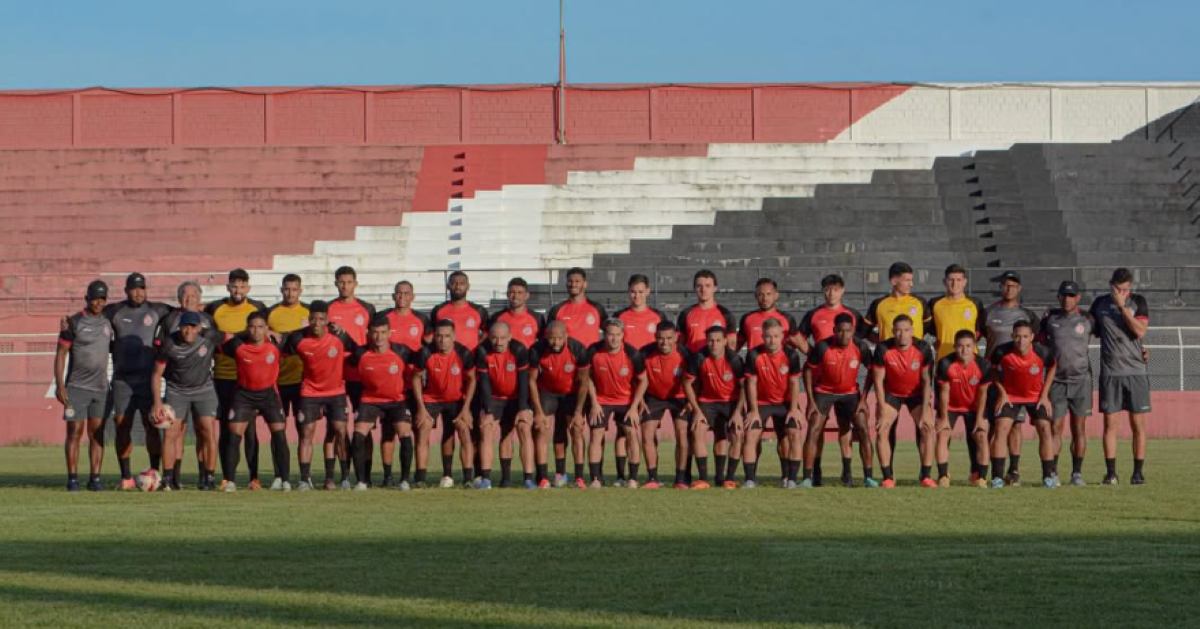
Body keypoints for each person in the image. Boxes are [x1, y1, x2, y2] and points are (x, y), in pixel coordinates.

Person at [101, 272, 171, 489]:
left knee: (152, 426)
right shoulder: (114, 311)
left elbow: (182, 316)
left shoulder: (158, 310)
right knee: (122, 426)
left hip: (147, 380)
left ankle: (155, 472)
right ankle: (126, 477)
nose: (138, 293)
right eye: (134, 289)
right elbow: (91, 318)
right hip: (123, 380)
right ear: (126, 291)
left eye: (142, 288)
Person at [280, 301, 357, 491]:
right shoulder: (298, 338)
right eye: (313, 319)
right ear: (309, 319)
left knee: (340, 431)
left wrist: (346, 333)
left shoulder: (339, 337)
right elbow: (280, 351)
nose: (317, 323)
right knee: (306, 433)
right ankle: (304, 479)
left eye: (321, 319)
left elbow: (357, 352)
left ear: (327, 320)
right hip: (310, 392)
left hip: (336, 392)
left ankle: (343, 477)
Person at [796, 273, 864, 486]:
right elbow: (797, 337)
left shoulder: (853, 314)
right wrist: (813, 353)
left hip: (845, 381)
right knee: (817, 427)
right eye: (827, 289)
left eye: (835, 289)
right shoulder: (813, 314)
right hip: (821, 382)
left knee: (845, 426)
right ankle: (815, 472)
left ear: (842, 290)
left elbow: (862, 340)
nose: (831, 293)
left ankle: (847, 472)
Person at [205, 268, 268, 489]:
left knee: (249, 429)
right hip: (223, 377)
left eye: (242, 286)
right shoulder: (215, 308)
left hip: (248, 378)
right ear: (228, 287)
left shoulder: (257, 308)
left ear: (248, 288)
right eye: (234, 286)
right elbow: (209, 335)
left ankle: (254, 477)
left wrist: (233, 337)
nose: (238, 290)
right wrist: (224, 337)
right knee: (226, 429)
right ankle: (226, 476)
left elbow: (262, 337)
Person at [151, 311, 225, 491]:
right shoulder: (169, 344)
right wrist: (157, 403)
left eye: (193, 327)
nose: (189, 331)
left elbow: (232, 336)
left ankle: (209, 478)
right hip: (177, 391)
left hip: (204, 390)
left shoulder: (209, 337)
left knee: (208, 432)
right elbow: (156, 374)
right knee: (170, 434)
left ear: (199, 328)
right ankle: (167, 479)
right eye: (185, 327)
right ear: (179, 327)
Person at [1091, 268, 1151, 485]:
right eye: (1117, 289)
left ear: (1130, 287)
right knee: (1110, 425)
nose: (1121, 293)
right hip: (1111, 373)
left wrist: (1122, 307)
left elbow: (1140, 331)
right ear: (1111, 285)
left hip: (1136, 372)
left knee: (1138, 425)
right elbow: (1090, 330)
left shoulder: (1138, 302)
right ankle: (1111, 474)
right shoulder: (1099, 304)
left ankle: (1138, 473)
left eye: (1125, 289)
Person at [217, 311, 289, 492]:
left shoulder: (276, 345)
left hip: (269, 395)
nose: (256, 331)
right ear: (247, 328)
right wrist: (246, 332)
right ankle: (230, 481)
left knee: (279, 436)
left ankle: (285, 480)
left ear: (267, 328)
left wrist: (271, 333)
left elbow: (297, 336)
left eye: (260, 327)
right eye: (252, 327)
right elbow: (222, 343)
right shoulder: (237, 347)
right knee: (234, 436)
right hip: (244, 396)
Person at [804, 314, 876, 488]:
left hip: (850, 393)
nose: (844, 335)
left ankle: (867, 477)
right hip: (824, 392)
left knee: (863, 428)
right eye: (841, 331)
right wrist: (811, 400)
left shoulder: (861, 346)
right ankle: (809, 476)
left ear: (853, 331)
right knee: (814, 429)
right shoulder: (822, 347)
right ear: (834, 330)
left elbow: (873, 370)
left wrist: (864, 399)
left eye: (848, 331)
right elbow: (807, 370)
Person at [55, 280, 114, 491]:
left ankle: (95, 479)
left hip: (101, 389)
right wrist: (60, 385)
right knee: (74, 432)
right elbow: (60, 354)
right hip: (77, 388)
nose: (98, 303)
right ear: (87, 299)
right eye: (95, 298)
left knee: (97, 434)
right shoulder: (74, 322)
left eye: (102, 299)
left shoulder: (108, 322)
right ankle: (72, 479)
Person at [982, 270, 1040, 486]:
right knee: (995, 425)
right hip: (995, 378)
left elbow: (1037, 345)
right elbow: (976, 337)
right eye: (1006, 285)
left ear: (1019, 288)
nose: (1009, 289)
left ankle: (1013, 470)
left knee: (1016, 425)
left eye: (1013, 285)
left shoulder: (1028, 315)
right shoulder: (988, 312)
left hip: (1019, 380)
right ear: (1001, 287)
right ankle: (992, 472)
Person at [347, 316, 415, 491]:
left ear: (389, 333)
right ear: (368, 333)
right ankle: (362, 481)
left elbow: (421, 362)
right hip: (370, 400)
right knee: (358, 435)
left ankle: (404, 480)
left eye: (383, 332)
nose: (379, 337)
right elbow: (345, 366)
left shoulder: (402, 351)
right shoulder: (360, 353)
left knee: (405, 434)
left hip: (397, 400)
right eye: (375, 333)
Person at [577, 319, 647, 488]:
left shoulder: (633, 354)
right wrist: (594, 402)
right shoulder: (593, 351)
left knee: (631, 433)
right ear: (604, 335)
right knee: (596, 434)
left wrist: (634, 407)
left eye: (617, 335)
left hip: (626, 400)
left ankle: (633, 478)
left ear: (623, 335)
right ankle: (596, 479)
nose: (614, 339)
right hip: (601, 400)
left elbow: (643, 381)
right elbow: (586, 378)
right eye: (610, 334)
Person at [1037, 281, 1094, 486]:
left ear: (1078, 298)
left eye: (1071, 296)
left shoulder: (1088, 319)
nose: (1067, 299)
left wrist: (1141, 349)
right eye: (1064, 295)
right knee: (1055, 427)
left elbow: (1113, 335)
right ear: (1059, 297)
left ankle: (1077, 473)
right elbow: (1038, 344)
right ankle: (1052, 472)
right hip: (1056, 381)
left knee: (1079, 428)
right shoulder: (1049, 319)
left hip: (1081, 381)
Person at [990, 321, 1057, 488]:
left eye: (1025, 336)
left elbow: (1052, 367)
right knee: (1001, 429)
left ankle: (1048, 477)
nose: (1021, 340)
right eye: (1017, 336)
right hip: (1010, 397)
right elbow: (992, 370)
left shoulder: (1043, 352)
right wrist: (1002, 393)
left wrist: (1045, 395)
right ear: (1012, 336)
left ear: (1032, 337)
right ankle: (997, 478)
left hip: (1036, 397)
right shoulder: (1001, 351)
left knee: (1045, 429)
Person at [871, 315, 935, 488]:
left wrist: (925, 410)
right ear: (893, 331)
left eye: (906, 330)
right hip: (891, 394)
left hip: (916, 394)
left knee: (927, 428)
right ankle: (887, 477)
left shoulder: (923, 348)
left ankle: (926, 476)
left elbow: (927, 382)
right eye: (898, 330)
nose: (902, 334)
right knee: (882, 429)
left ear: (912, 331)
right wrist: (881, 407)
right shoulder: (883, 348)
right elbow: (878, 380)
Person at [411, 320, 477, 488]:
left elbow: (472, 380)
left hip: (456, 399)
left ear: (454, 336)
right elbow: (416, 378)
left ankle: (467, 479)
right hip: (431, 399)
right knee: (423, 429)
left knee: (463, 430)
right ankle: (420, 479)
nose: (442, 340)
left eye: (447, 336)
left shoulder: (464, 354)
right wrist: (421, 408)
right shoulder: (425, 352)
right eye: (439, 336)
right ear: (434, 337)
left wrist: (466, 408)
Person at [377, 280, 430, 487]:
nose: (402, 297)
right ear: (393, 296)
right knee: (388, 431)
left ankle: (419, 475)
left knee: (418, 429)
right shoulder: (384, 318)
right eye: (399, 293)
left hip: (413, 384)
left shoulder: (422, 319)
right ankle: (388, 476)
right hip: (389, 384)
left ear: (412, 297)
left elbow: (428, 349)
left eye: (406, 293)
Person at [327, 266, 376, 485]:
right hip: (335, 376)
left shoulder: (367, 309)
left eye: (349, 282)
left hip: (359, 376)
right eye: (341, 282)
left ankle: (365, 475)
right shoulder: (328, 308)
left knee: (364, 426)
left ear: (355, 283)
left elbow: (374, 340)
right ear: (335, 284)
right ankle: (342, 475)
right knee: (335, 427)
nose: (345, 286)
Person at [742, 319, 804, 489]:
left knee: (794, 433)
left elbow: (794, 383)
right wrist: (753, 410)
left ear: (782, 336)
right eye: (768, 336)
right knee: (751, 434)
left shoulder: (791, 355)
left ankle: (791, 479)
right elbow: (751, 383)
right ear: (762, 337)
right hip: (762, 403)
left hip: (785, 403)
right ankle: (750, 479)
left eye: (776, 336)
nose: (772, 340)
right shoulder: (754, 355)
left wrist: (794, 409)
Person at [683, 325, 746, 489]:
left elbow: (744, 387)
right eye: (711, 340)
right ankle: (703, 479)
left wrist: (738, 412)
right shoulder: (699, 357)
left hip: (731, 402)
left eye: (718, 340)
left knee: (737, 433)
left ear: (725, 341)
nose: (714, 344)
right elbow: (687, 383)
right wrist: (697, 410)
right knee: (697, 430)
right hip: (707, 402)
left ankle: (728, 478)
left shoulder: (735, 360)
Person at [474, 321, 534, 489]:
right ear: (489, 337)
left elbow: (524, 381)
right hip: (494, 398)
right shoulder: (482, 351)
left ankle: (528, 479)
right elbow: (484, 383)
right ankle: (487, 480)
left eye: (502, 338)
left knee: (524, 428)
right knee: (486, 429)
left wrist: (523, 408)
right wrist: (488, 410)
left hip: (516, 398)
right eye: (494, 338)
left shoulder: (519, 350)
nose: (498, 342)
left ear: (509, 337)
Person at [529, 321, 588, 488]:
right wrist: (538, 412)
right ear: (546, 337)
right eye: (551, 338)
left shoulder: (578, 349)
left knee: (576, 429)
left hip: (571, 394)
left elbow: (584, 382)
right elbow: (531, 381)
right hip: (548, 393)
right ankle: (542, 477)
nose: (555, 342)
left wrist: (578, 412)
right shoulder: (537, 350)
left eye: (559, 338)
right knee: (541, 429)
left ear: (566, 336)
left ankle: (579, 478)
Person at [934, 330, 992, 488]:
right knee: (943, 433)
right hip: (950, 406)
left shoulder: (983, 365)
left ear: (974, 347)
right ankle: (943, 475)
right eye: (960, 346)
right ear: (954, 347)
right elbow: (944, 393)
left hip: (973, 407)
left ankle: (981, 477)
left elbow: (983, 394)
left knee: (981, 435)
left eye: (968, 346)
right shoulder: (945, 363)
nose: (964, 350)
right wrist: (943, 418)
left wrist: (980, 419)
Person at [638, 321, 689, 489]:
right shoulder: (645, 353)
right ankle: (652, 478)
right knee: (647, 433)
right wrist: (640, 400)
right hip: (654, 396)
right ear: (655, 337)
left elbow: (695, 381)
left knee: (682, 433)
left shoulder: (686, 354)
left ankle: (680, 479)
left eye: (669, 338)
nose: (664, 342)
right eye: (660, 338)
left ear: (676, 338)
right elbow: (637, 379)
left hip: (679, 397)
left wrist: (691, 401)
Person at [265, 274, 310, 463]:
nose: (290, 293)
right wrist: (267, 331)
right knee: (277, 430)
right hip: (277, 381)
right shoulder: (271, 312)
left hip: (303, 381)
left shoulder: (309, 312)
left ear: (300, 291)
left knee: (304, 429)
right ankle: (279, 473)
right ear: (281, 290)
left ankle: (304, 474)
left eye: (294, 289)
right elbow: (257, 332)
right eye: (287, 289)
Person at [927, 264, 987, 361]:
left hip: (970, 360)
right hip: (944, 358)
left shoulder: (975, 303)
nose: (954, 284)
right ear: (944, 281)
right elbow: (929, 328)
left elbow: (980, 330)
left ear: (965, 282)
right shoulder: (934, 303)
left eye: (959, 280)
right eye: (951, 280)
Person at [677, 269, 738, 354]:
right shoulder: (685, 314)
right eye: (699, 286)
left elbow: (731, 346)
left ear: (715, 288)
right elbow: (679, 345)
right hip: (693, 361)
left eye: (708, 286)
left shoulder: (726, 314)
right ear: (694, 288)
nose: (703, 290)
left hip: (716, 361)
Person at [430, 271, 489, 351]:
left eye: (462, 283)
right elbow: (431, 335)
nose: (458, 286)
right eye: (454, 283)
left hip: (471, 356)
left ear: (468, 286)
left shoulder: (479, 310)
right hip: (446, 357)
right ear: (448, 286)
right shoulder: (438, 310)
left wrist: (476, 346)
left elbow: (487, 333)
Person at [613, 273, 670, 352]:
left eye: (640, 292)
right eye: (633, 292)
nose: (637, 296)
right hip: (627, 359)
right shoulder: (619, 316)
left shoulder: (659, 316)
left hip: (650, 359)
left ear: (647, 291)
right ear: (628, 291)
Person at [489, 277, 545, 350]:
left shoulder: (537, 318)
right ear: (507, 294)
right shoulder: (497, 317)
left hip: (527, 357)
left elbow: (543, 343)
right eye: (512, 292)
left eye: (519, 292)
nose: (515, 296)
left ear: (527, 295)